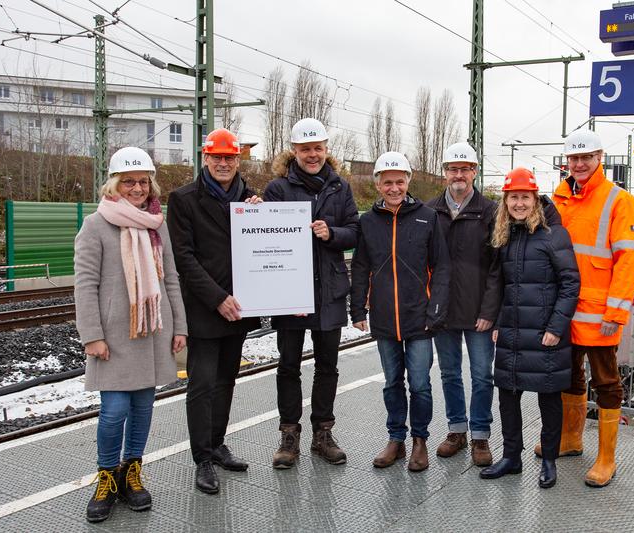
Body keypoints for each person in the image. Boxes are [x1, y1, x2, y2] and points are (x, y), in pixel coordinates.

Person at [75, 147, 187, 522]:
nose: (137, 188)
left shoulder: (158, 224)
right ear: (115, 184)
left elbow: (170, 278)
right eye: (129, 182)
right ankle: (106, 475)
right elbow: (85, 284)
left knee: (142, 408)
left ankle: (132, 473)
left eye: (143, 181)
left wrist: (179, 327)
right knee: (113, 411)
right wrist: (92, 334)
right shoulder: (95, 225)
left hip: (153, 330)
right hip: (114, 335)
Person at [540, 130, 634, 488]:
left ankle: (607, 458)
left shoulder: (619, 201)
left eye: (587, 158)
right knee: (569, 376)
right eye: (574, 158)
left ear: (600, 157)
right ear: (566, 162)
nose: (580, 164)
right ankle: (570, 440)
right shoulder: (558, 199)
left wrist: (616, 312)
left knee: (607, 382)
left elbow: (628, 259)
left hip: (599, 313)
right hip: (565, 309)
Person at [167, 128, 261, 494]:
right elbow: (183, 258)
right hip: (206, 310)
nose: (223, 163)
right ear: (205, 158)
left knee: (226, 381)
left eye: (230, 158)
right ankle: (202, 458)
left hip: (239, 309)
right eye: (217, 157)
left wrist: (260, 218)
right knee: (202, 385)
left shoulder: (250, 198)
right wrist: (217, 297)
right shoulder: (184, 199)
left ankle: (218, 444)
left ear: (238, 160)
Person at [263, 118, 359, 469]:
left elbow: (354, 232)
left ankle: (323, 433)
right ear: (294, 152)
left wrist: (330, 233)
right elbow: (267, 236)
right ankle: (289, 436)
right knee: (288, 366)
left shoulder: (340, 187)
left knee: (327, 366)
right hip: (289, 289)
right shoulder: (277, 188)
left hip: (329, 289)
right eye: (305, 149)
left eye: (318, 148)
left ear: (326, 150)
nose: (312, 154)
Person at [478, 168, 579, 489]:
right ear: (505, 201)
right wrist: (496, 322)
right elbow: (502, 284)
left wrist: (556, 327)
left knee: (548, 398)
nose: (519, 204)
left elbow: (570, 284)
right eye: (513, 198)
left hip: (546, 334)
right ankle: (512, 457)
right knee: (507, 395)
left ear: (535, 200)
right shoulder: (505, 235)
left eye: (525, 197)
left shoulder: (554, 235)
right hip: (512, 331)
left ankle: (549, 460)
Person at [350, 151, 450, 472]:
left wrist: (435, 308)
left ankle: (420, 440)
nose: (394, 188)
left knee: (419, 383)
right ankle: (396, 438)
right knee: (392, 382)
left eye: (400, 181)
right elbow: (361, 266)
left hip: (419, 317)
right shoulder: (368, 221)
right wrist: (357, 309)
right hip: (383, 318)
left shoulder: (427, 216)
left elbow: (441, 267)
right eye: (387, 182)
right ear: (378, 184)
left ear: (408, 181)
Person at [427, 142, 499, 467]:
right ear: (445, 173)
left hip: (478, 310)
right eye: (453, 169)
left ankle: (480, 435)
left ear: (474, 171)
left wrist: (490, 311)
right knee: (449, 373)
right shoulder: (429, 212)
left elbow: (499, 268)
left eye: (465, 168)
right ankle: (456, 430)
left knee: (483, 374)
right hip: (443, 310)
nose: (459, 174)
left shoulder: (491, 212)